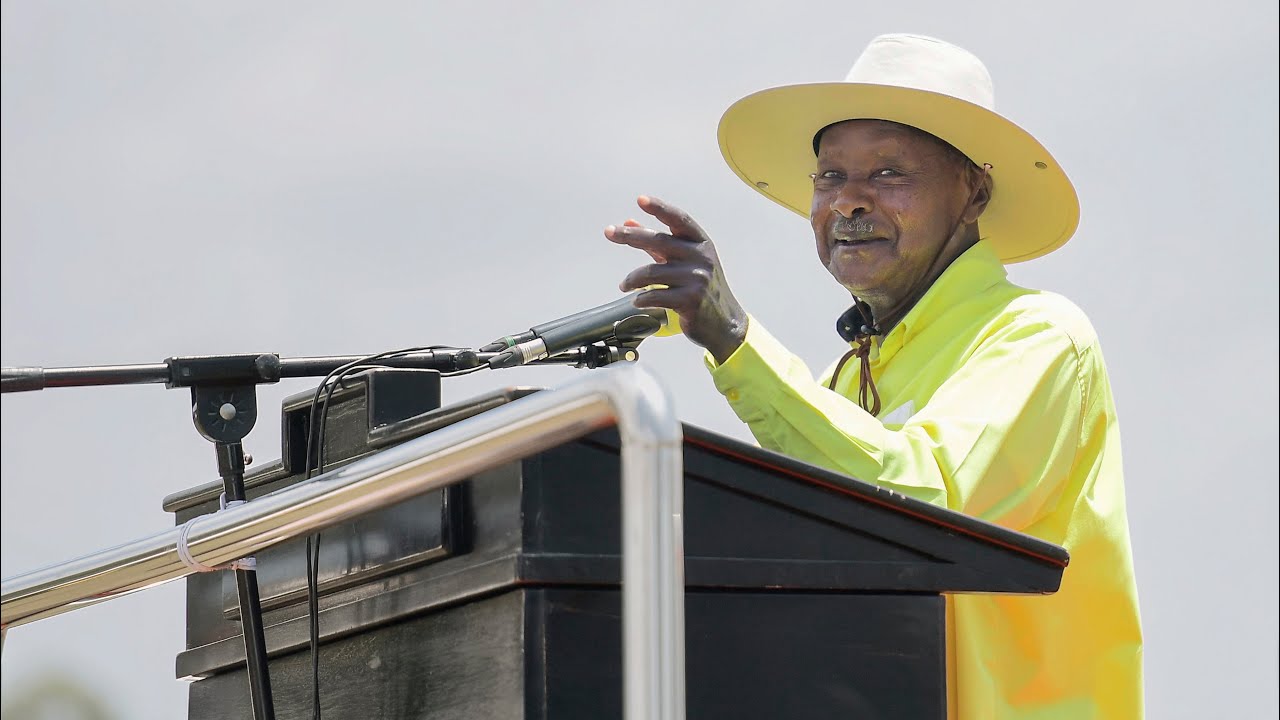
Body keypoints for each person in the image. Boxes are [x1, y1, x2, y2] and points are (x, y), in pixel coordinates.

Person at [605, 34, 1143, 719]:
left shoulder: (1037, 337)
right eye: (830, 177)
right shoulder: (841, 380)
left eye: (888, 173)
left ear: (973, 193)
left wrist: (734, 336)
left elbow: (927, 509)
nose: (849, 202)